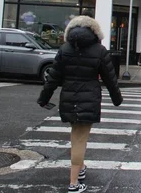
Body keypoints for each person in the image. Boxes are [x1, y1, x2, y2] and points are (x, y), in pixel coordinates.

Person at [37, 15, 123, 193]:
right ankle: (74, 183)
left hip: (68, 98)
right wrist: (117, 99)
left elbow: (53, 78)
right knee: (79, 139)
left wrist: (44, 98)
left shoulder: (64, 49)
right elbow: (110, 79)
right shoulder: (100, 51)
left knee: (76, 135)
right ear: (94, 32)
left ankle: (80, 168)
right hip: (89, 99)